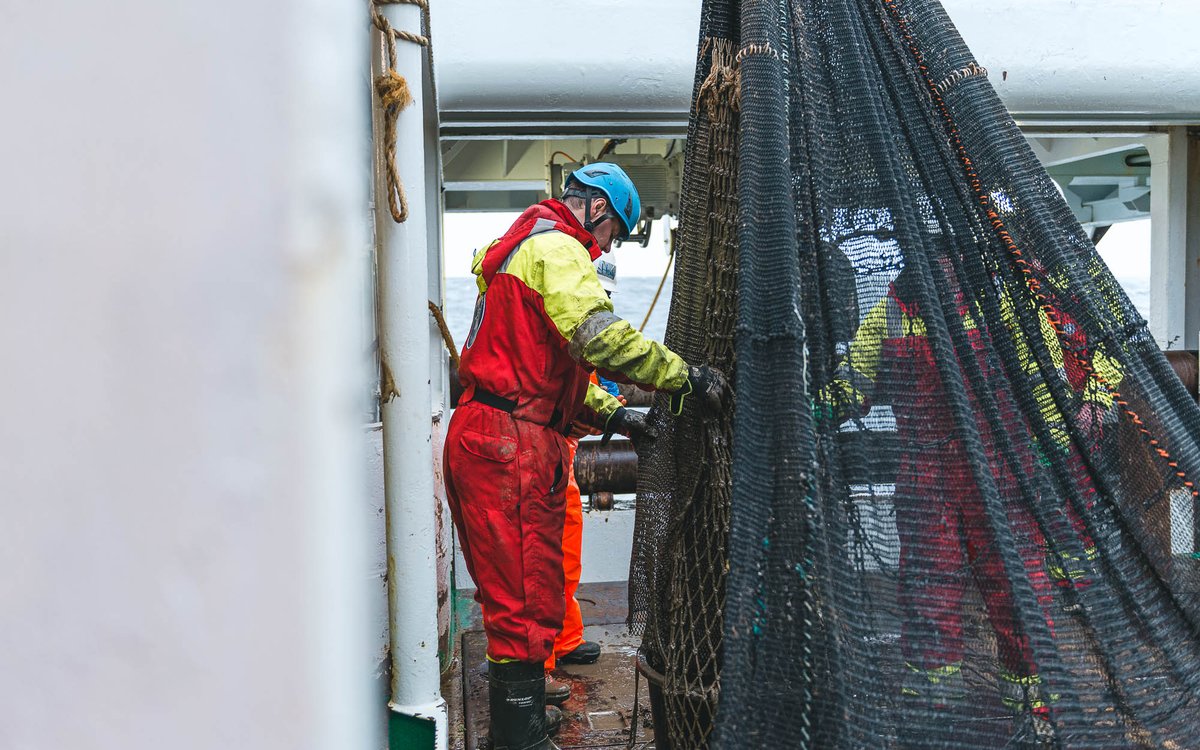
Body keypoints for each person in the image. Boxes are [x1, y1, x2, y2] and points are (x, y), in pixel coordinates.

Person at [444, 162, 727, 750]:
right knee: (522, 593)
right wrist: (685, 377)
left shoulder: (519, 249)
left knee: (526, 586)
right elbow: (600, 339)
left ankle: (517, 712)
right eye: (614, 236)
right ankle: (517, 737)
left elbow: (548, 371)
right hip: (509, 443)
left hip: (500, 432)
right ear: (597, 209)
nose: (606, 252)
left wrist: (617, 414)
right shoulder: (557, 248)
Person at [823, 262, 1117, 741]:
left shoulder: (1002, 308)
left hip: (999, 472)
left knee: (1019, 590)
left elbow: (1042, 386)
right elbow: (852, 385)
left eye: (945, 256)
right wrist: (817, 404)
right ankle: (936, 704)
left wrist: (1051, 452)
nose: (941, 268)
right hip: (926, 479)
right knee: (927, 589)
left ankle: (1034, 709)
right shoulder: (888, 314)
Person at [542, 258, 622, 685]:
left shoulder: (593, 315)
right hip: (544, 444)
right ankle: (541, 662)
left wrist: (607, 392)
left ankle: (565, 637)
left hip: (564, 450)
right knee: (544, 553)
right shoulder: (562, 310)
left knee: (567, 544)